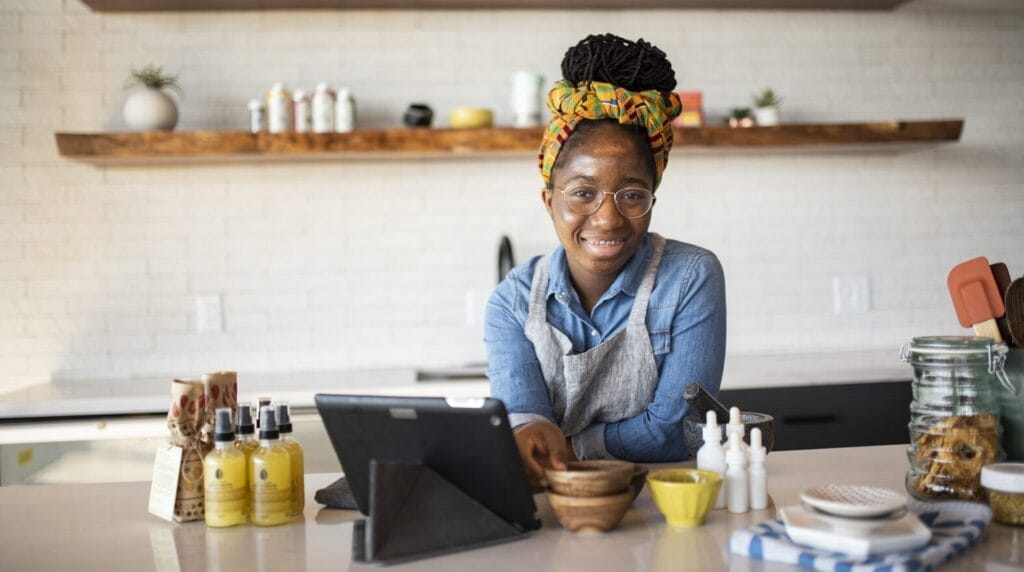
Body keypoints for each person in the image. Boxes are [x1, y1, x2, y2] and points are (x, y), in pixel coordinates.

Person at [485, 34, 727, 487]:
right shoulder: (512, 301)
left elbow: (677, 432)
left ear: (652, 199)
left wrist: (569, 443)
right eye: (583, 193)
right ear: (548, 199)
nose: (608, 218)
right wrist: (531, 432)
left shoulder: (691, 277)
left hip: (664, 503)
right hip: (560, 508)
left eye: (632, 194)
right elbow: (524, 423)